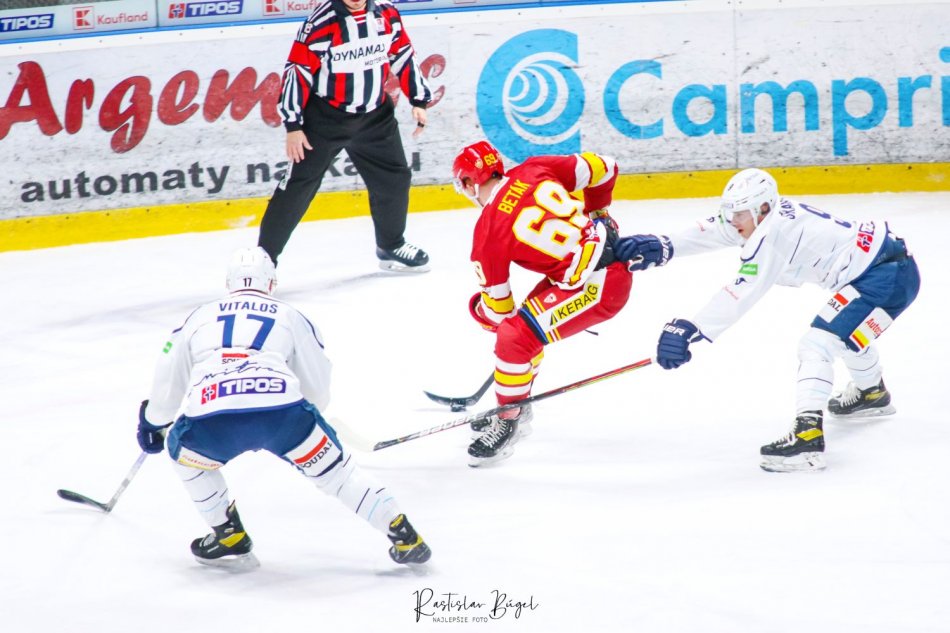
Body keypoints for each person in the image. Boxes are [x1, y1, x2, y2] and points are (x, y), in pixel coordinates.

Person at [135, 247, 432, 567]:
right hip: (284, 415)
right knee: (340, 475)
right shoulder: (291, 316)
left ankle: (227, 533)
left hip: (212, 419)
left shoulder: (198, 317)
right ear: (271, 283)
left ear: (228, 284)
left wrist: (153, 421)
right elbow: (317, 387)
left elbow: (169, 377)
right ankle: (405, 535)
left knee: (184, 456)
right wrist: (305, 420)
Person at [614, 168, 920, 472]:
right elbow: (716, 228)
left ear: (762, 208)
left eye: (739, 214)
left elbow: (743, 291)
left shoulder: (774, 235)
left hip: (886, 279)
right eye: (730, 212)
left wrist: (692, 329)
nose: (732, 220)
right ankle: (871, 393)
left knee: (818, 345)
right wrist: (665, 244)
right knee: (845, 333)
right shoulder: (761, 215)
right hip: (883, 266)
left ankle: (807, 438)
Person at [451, 140, 632, 467]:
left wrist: (478, 310)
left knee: (513, 337)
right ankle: (518, 403)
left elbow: (499, 313)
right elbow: (606, 167)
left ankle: (509, 419)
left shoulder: (488, 232)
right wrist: (599, 213)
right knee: (524, 331)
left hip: (599, 286)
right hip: (605, 258)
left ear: (468, 182)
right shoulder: (534, 168)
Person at [257, 0, 432, 273]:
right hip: (326, 119)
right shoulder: (322, 21)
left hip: (375, 117)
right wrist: (293, 125)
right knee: (298, 186)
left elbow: (403, 54)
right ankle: (263, 260)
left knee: (394, 178)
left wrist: (418, 100)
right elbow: (298, 70)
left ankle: (391, 244)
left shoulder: (386, 13)